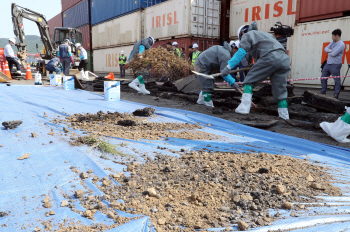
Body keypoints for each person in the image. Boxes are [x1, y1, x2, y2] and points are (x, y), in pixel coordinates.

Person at [222, 22, 291, 119]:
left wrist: (227, 68)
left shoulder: (247, 35)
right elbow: (269, 51)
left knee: (249, 81)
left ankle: (244, 109)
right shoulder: (265, 35)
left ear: (242, 34)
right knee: (280, 89)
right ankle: (284, 116)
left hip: (270, 58)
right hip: (284, 59)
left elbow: (241, 53)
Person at [194, 41, 239, 107]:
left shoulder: (223, 49)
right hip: (201, 65)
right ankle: (208, 104)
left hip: (203, 65)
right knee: (208, 84)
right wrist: (232, 83)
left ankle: (201, 101)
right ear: (234, 48)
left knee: (210, 82)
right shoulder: (226, 55)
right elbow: (224, 72)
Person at [321, 29, 345, 99]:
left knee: (336, 80)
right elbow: (325, 49)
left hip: (335, 64)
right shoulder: (333, 42)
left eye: (332, 36)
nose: (332, 37)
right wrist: (331, 51)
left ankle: (336, 94)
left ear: (337, 35)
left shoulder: (341, 44)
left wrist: (330, 52)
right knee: (323, 77)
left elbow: (334, 54)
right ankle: (323, 92)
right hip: (328, 63)